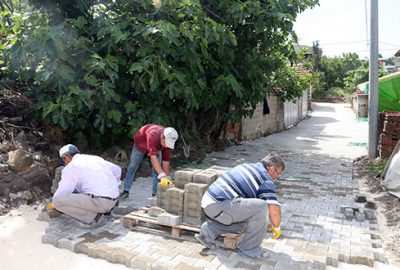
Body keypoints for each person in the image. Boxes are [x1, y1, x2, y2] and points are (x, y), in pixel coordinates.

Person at [194, 153, 284, 260]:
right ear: (272, 169)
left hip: (211, 205)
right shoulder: (265, 178)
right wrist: (276, 228)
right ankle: (249, 249)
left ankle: (208, 231)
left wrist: (265, 223)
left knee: (252, 222)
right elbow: (273, 209)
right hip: (219, 206)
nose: (277, 177)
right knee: (262, 206)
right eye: (278, 173)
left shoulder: (248, 166)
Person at [52, 144, 121, 228]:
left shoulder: (71, 166)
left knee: (57, 201)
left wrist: (52, 204)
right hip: (114, 201)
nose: (65, 164)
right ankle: (105, 209)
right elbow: (117, 170)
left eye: (64, 161)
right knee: (83, 191)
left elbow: (63, 192)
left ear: (67, 157)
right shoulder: (95, 158)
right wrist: (112, 188)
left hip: (100, 203)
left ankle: (95, 218)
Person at [119, 124, 178, 199]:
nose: (167, 146)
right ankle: (125, 191)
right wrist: (162, 175)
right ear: (163, 137)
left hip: (156, 146)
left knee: (157, 172)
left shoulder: (167, 142)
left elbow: (166, 161)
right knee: (132, 166)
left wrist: (167, 177)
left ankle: (155, 195)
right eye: (167, 143)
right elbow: (153, 157)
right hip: (140, 144)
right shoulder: (153, 134)